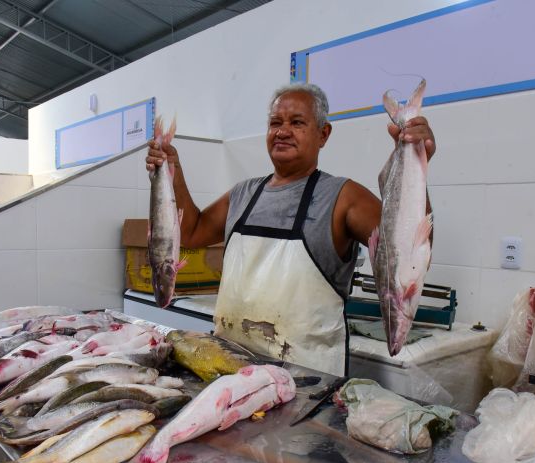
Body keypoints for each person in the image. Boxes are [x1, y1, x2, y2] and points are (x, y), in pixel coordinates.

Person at [145, 83, 436, 376]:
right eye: (275, 123)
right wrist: (172, 172)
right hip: (229, 371)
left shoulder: (343, 197)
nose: (282, 131)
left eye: (297, 122)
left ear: (323, 134)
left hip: (305, 386)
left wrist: (417, 161)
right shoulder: (243, 194)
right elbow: (192, 232)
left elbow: (409, 255)